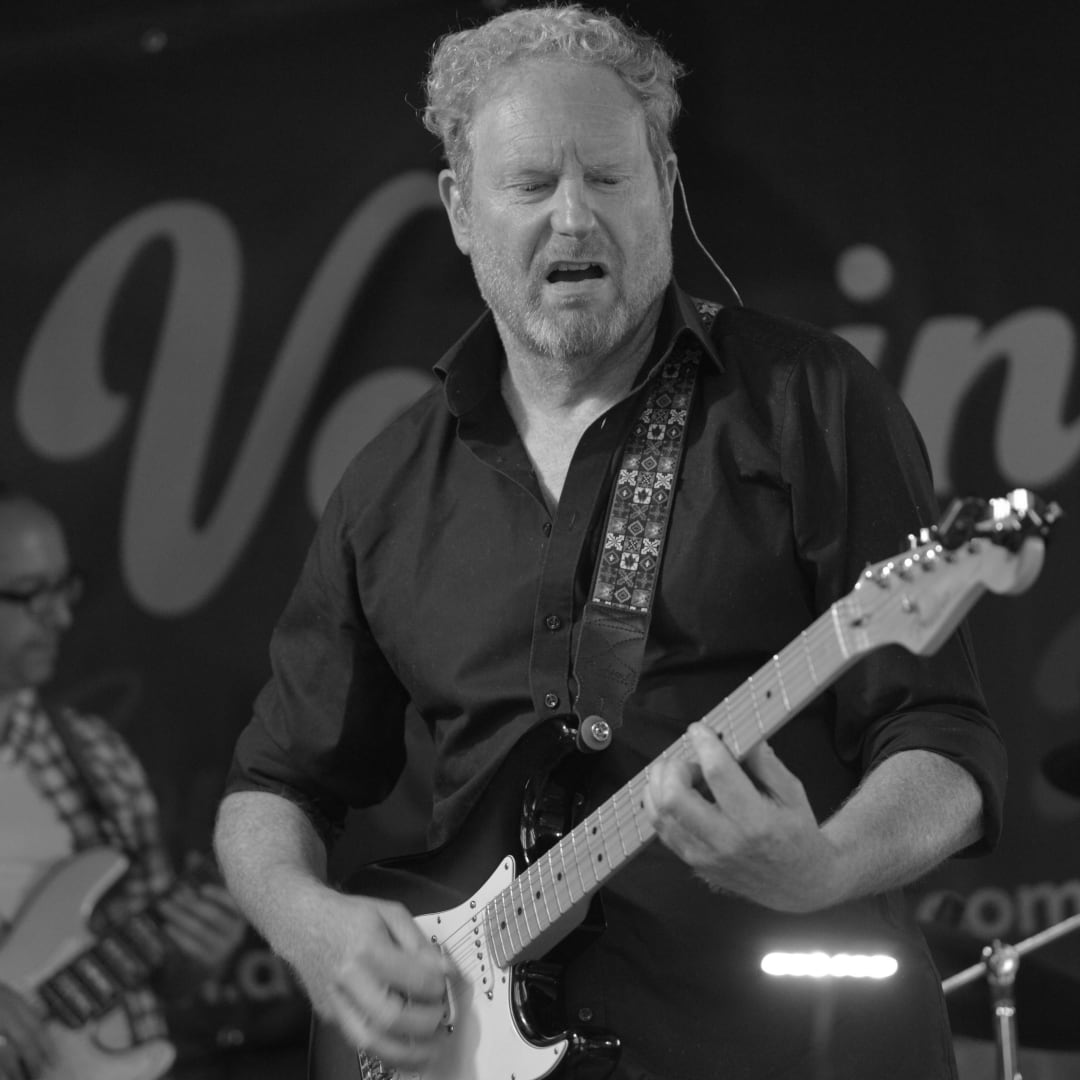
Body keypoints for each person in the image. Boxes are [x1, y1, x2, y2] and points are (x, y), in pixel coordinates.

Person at [213, 5, 1007, 1078]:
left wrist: (826, 864)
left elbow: (944, 739)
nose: (575, 217)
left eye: (609, 177)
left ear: (666, 187)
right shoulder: (389, 485)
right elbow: (272, 789)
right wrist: (312, 928)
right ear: (460, 209)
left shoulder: (807, 403)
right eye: (532, 184)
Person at [0, 488, 248, 1080]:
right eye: (31, 594)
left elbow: (163, 977)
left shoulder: (98, 757)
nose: (60, 617)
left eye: (64, 589)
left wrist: (198, 954)